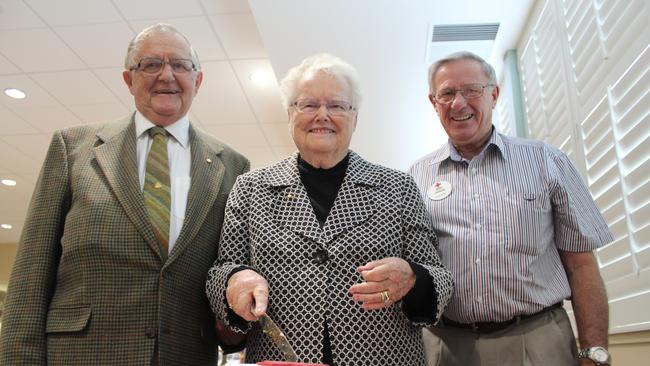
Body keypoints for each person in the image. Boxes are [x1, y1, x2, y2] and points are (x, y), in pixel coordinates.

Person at [0, 24, 249, 365]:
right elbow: (30, 274)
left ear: (198, 80)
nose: (166, 75)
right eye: (150, 65)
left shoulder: (233, 166)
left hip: (184, 355)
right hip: (81, 356)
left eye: (180, 65)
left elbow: (227, 268)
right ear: (128, 80)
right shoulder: (72, 149)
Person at [205, 53, 454, 366]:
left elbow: (440, 277)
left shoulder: (397, 186)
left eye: (336, 106)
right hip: (283, 358)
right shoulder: (251, 188)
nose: (322, 115)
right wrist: (234, 280)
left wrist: (414, 277)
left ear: (355, 117)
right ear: (289, 114)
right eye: (308, 105)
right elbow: (222, 268)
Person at [408, 51, 613, 366]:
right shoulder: (415, 177)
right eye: (447, 93)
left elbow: (581, 265)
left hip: (536, 339)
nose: (458, 103)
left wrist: (594, 351)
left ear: (494, 94)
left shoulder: (547, 161)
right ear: (434, 103)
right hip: (446, 346)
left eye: (471, 90)